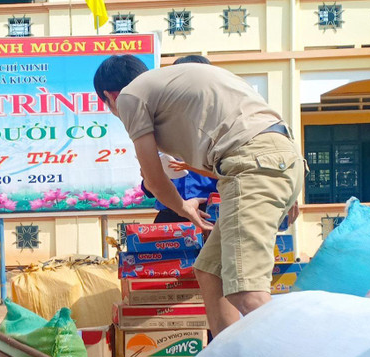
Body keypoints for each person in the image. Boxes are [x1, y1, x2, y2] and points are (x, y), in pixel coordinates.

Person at [94, 55, 304, 334]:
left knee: (246, 291)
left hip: (252, 166)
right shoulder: (174, 86)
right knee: (210, 271)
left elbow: (154, 180)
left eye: (110, 107)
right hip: (273, 159)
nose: (116, 112)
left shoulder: (130, 97)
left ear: (110, 96)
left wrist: (183, 208)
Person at [141, 55, 218, 224]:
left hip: (211, 213)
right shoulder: (160, 126)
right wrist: (149, 179)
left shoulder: (221, 125)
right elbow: (148, 188)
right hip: (170, 215)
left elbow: (232, 176)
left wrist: (198, 200)